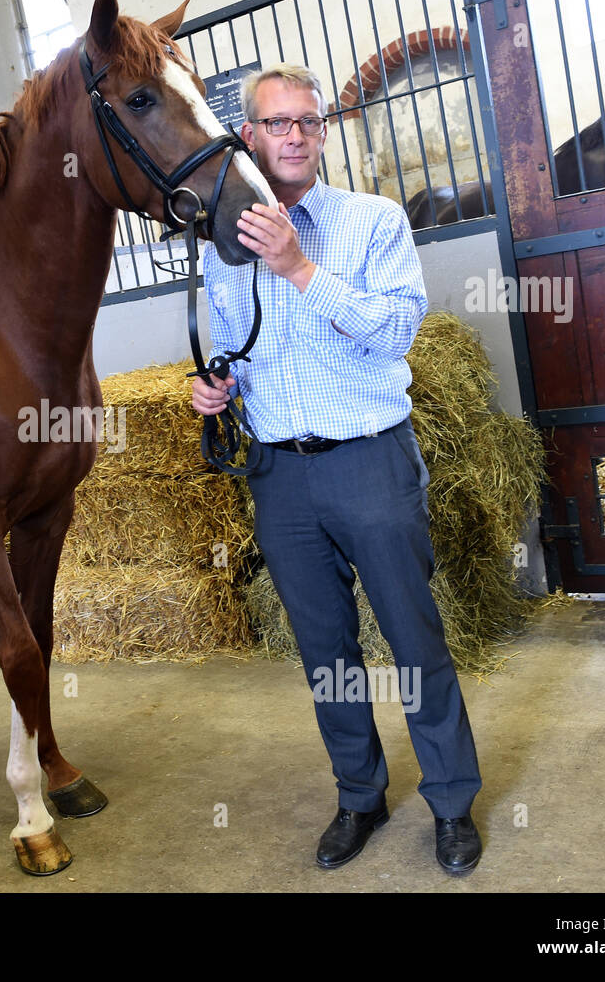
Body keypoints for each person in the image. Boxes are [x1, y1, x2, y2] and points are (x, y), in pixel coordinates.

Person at [192, 63, 483, 875]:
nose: (293, 135)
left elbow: (393, 334)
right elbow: (240, 353)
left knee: (413, 640)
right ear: (247, 136)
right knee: (327, 653)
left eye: (307, 123)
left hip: (370, 462)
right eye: (276, 123)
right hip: (280, 476)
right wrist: (215, 387)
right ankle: (360, 795)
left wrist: (298, 268)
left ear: (323, 133)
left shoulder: (373, 221)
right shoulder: (225, 247)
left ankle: (453, 802)